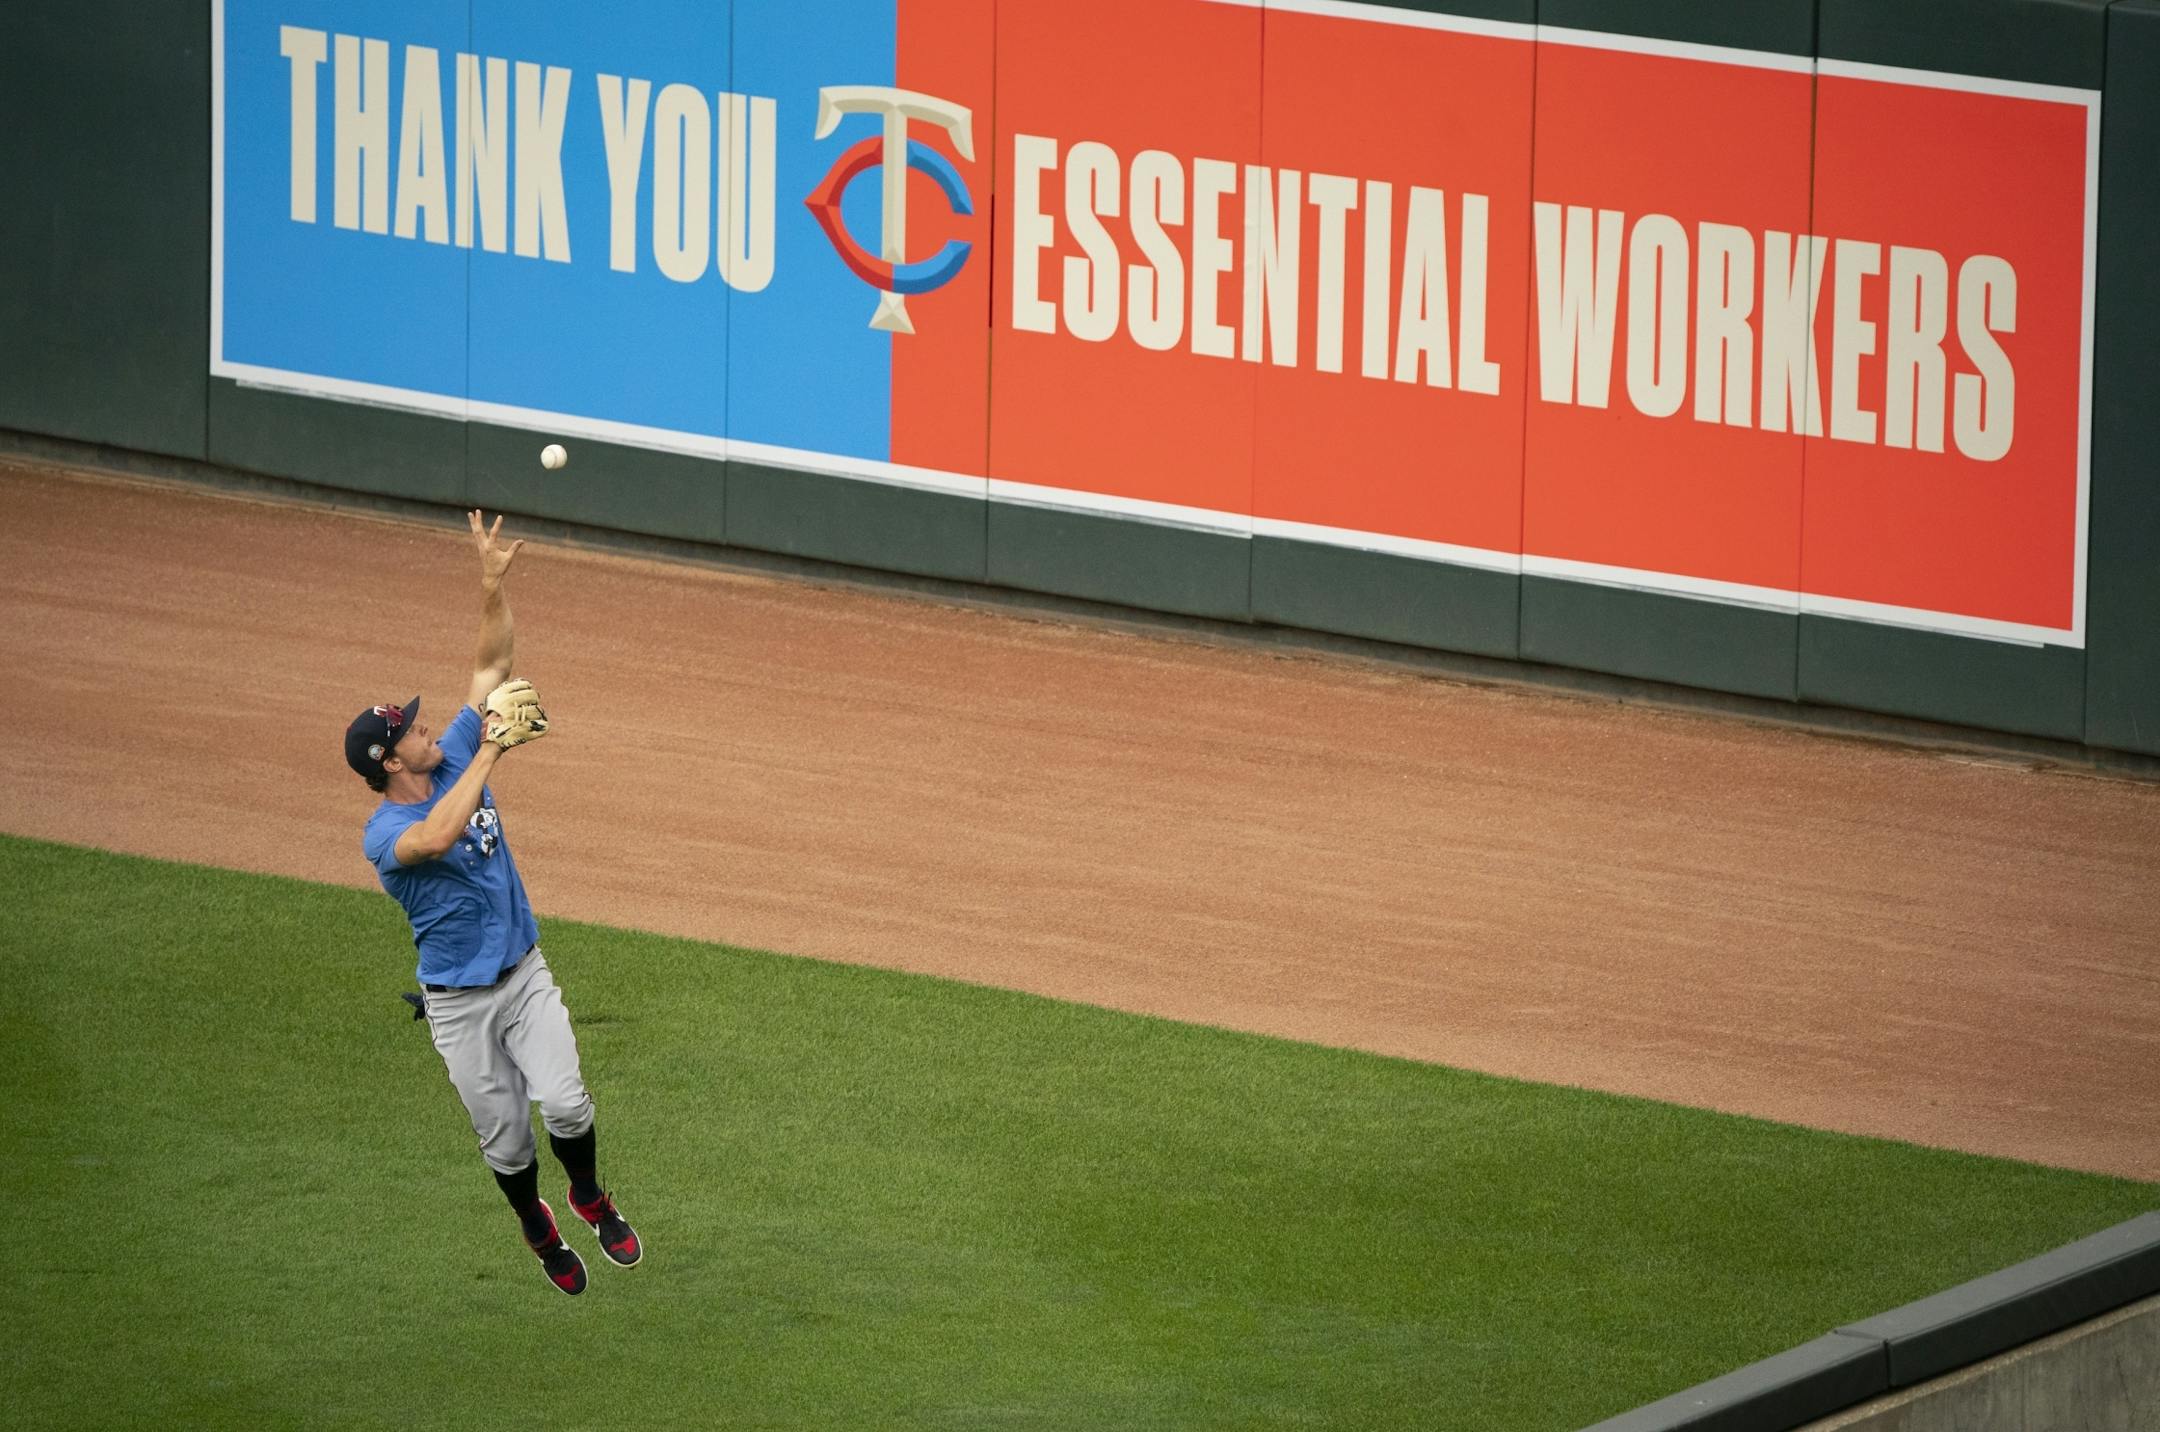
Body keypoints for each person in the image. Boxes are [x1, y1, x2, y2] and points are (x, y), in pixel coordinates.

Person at [343, 510, 640, 1296]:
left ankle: (589, 1195)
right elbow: (437, 838)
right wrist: (493, 751)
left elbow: (495, 662)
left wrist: (491, 585)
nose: (426, 724)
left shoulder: (451, 756)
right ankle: (537, 1229)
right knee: (508, 1145)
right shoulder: (386, 832)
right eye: (410, 730)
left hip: (523, 973)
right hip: (460, 1006)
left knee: (568, 1101)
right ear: (388, 760)